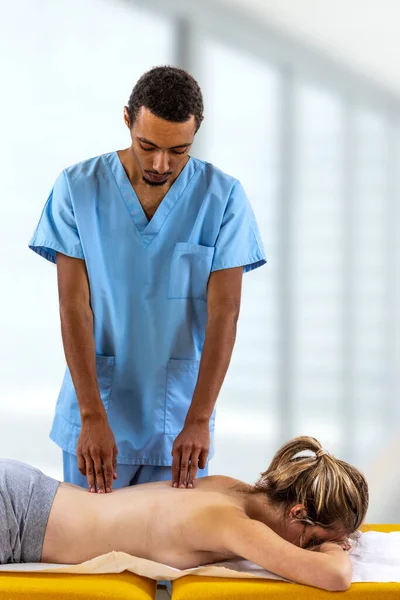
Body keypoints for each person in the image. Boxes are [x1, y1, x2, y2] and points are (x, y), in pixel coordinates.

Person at [29, 66, 266, 493]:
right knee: (90, 555)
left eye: (179, 150)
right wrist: (91, 415)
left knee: (172, 556)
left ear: (198, 132)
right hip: (95, 415)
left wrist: (198, 419)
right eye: (147, 146)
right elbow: (73, 308)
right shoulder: (77, 188)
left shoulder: (224, 198)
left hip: (178, 426)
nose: (161, 164)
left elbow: (224, 316)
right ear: (127, 120)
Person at [0, 436, 368, 591]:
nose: (312, 549)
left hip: (24, 493)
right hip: (14, 515)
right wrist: (336, 548)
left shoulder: (230, 489)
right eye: (316, 541)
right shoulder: (232, 524)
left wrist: (329, 535)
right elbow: (334, 577)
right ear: (299, 511)